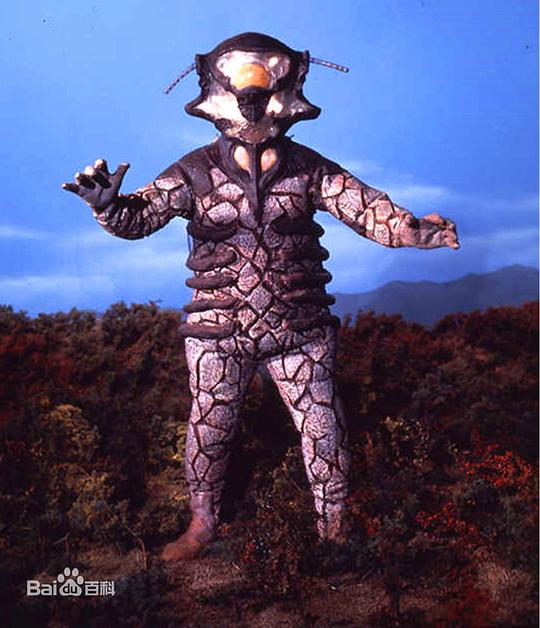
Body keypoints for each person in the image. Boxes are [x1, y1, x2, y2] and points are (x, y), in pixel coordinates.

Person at [63, 32, 459, 560]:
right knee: (210, 425)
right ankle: (202, 524)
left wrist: (413, 231)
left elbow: (365, 210)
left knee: (322, 424)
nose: (251, 99)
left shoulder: (310, 170)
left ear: (288, 88)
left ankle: (334, 529)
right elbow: (140, 218)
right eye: (241, 84)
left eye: (263, 83)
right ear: (215, 90)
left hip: (299, 330)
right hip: (218, 330)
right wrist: (108, 207)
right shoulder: (193, 173)